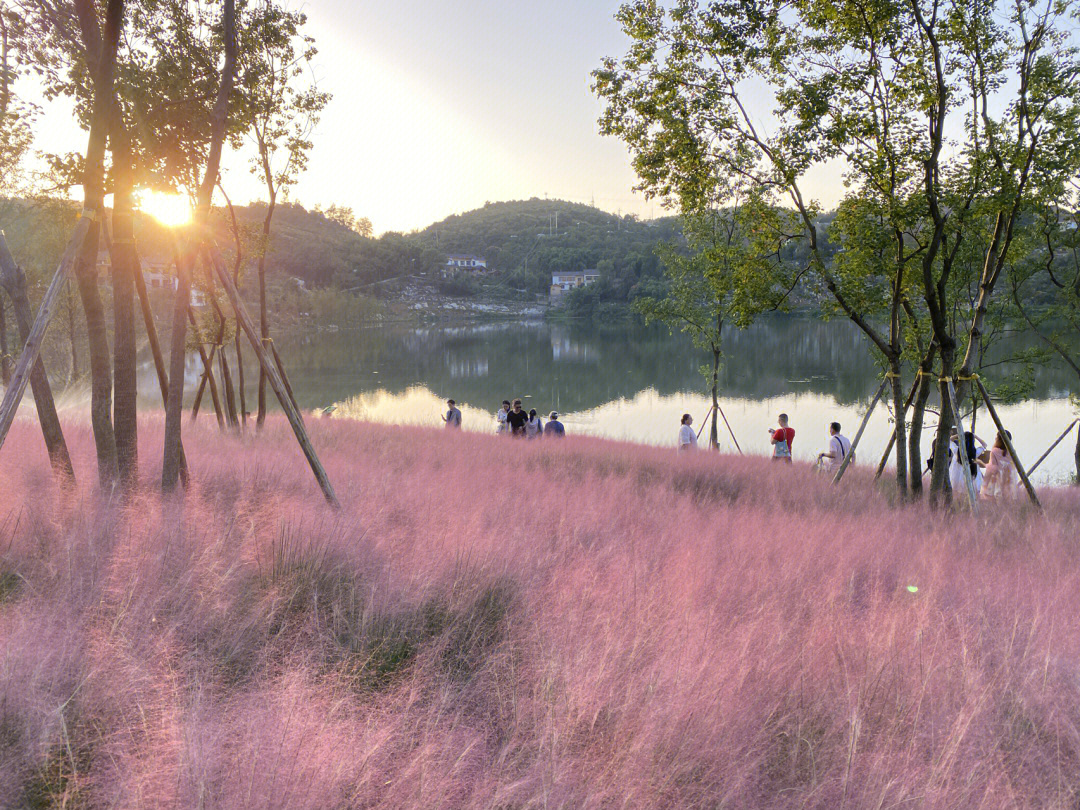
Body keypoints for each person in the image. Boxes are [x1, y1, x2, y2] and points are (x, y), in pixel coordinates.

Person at [948, 429, 987, 497]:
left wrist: (959, 435)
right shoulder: (975, 452)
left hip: (957, 478)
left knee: (957, 496)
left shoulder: (957, 451)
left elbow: (949, 440)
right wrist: (975, 436)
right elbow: (984, 445)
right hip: (970, 475)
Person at [981, 430, 1016, 500]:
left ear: (999, 439)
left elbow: (992, 468)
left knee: (997, 496)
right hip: (1009, 476)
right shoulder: (1012, 451)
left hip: (998, 477)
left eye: (997, 437)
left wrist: (984, 465)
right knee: (1009, 497)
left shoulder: (994, 451)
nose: (995, 438)